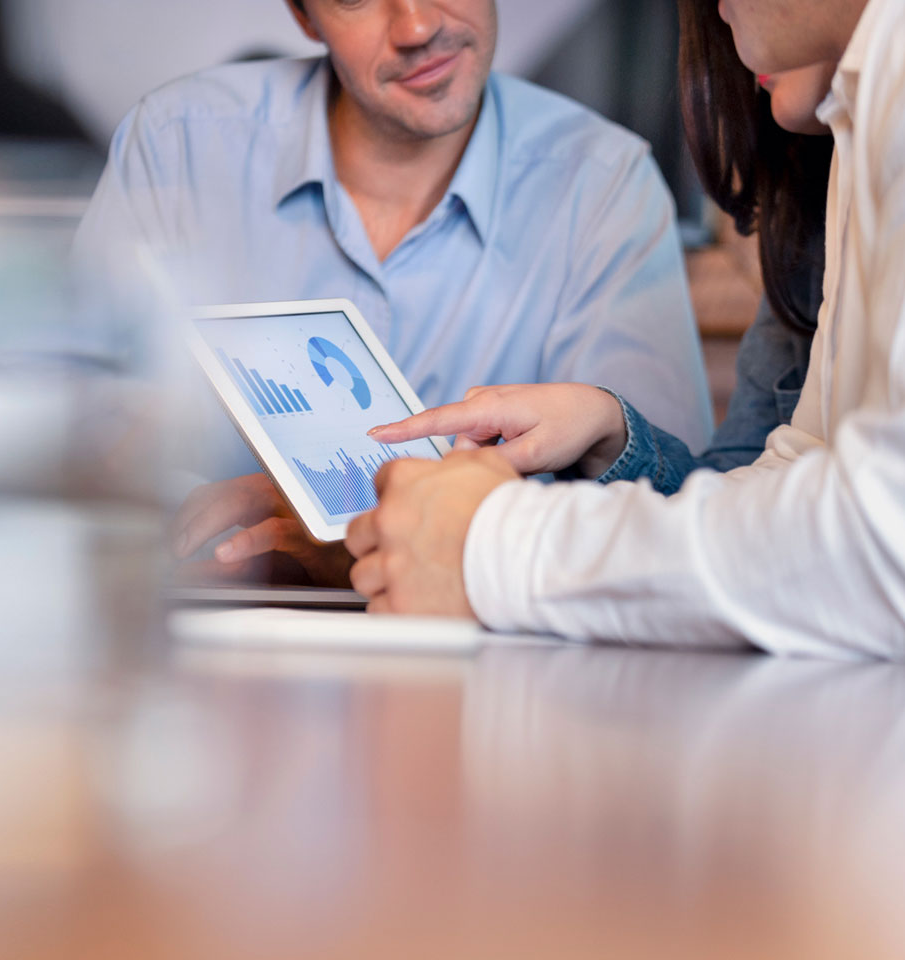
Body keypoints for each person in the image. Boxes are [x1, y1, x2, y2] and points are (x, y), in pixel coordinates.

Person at [346, 0, 905, 667]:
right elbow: (797, 474)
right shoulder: (868, 101)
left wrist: (491, 544)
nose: (709, 15)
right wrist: (521, 506)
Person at [70, 1, 713, 584]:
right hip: (207, 632)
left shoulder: (602, 184)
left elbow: (670, 508)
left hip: (489, 661)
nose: (416, 27)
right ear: (302, 16)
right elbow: (73, 429)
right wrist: (198, 507)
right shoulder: (175, 143)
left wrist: (378, 528)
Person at [370, 2, 834, 494]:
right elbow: (735, 494)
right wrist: (609, 428)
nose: (415, 26)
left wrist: (487, 533)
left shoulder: (603, 175)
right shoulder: (813, 217)